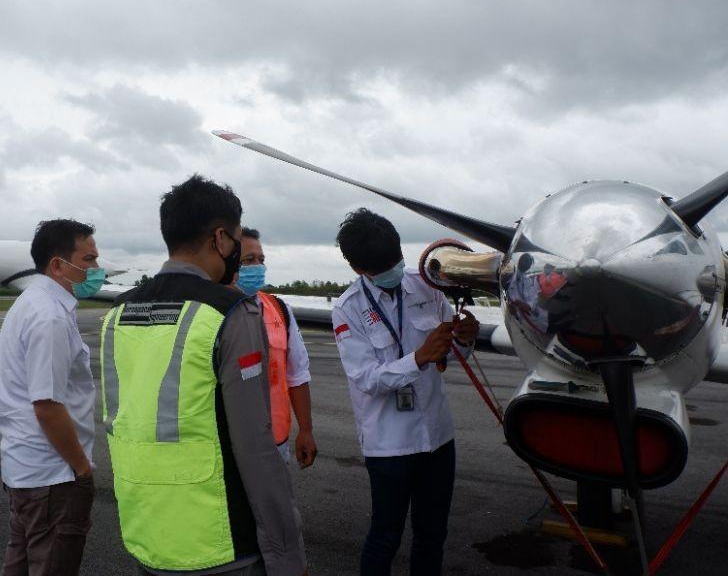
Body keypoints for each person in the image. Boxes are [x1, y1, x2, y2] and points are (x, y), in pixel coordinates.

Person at [100, 175, 307, 575]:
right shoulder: (230, 312)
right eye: (235, 240)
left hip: (146, 532)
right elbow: (256, 448)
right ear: (220, 239)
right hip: (218, 540)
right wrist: (287, 552)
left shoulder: (118, 314)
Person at [330, 208, 479, 576]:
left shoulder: (428, 287)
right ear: (357, 269)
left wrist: (466, 340)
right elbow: (365, 377)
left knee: (432, 535)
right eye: (383, 267)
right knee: (386, 536)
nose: (394, 271)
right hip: (389, 446)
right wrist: (418, 357)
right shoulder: (348, 309)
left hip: (437, 439)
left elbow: (450, 354)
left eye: (396, 260)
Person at [0, 219, 105, 576]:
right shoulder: (49, 317)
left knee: (21, 565)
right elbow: (47, 406)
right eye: (88, 260)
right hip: (53, 477)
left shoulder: (33, 303)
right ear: (58, 265)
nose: (96, 269)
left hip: (27, 472)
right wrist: (81, 468)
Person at [233, 227, 318, 467]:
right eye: (248, 260)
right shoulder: (211, 312)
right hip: (229, 446)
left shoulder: (279, 310)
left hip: (276, 441)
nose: (258, 266)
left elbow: (297, 374)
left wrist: (306, 429)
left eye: (261, 259)